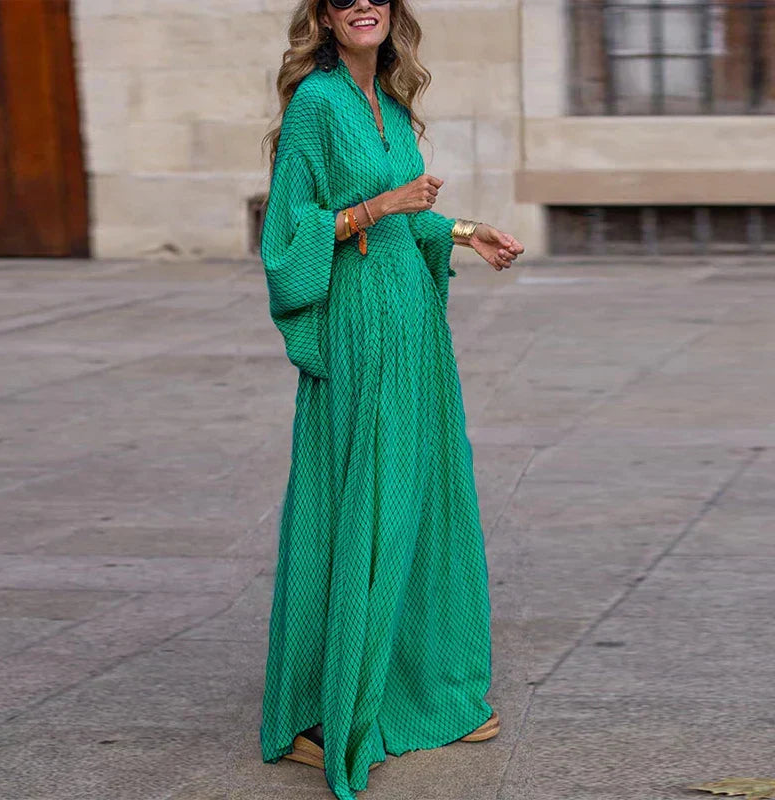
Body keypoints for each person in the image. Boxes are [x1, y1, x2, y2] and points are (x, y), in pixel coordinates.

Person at [258, 0, 524, 797]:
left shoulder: (394, 100)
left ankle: (422, 688)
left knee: (424, 498)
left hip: (411, 326)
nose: (362, 5)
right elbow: (287, 236)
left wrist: (467, 232)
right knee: (369, 502)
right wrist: (378, 208)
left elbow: (411, 216)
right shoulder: (316, 103)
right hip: (361, 327)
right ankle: (329, 710)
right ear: (325, 15)